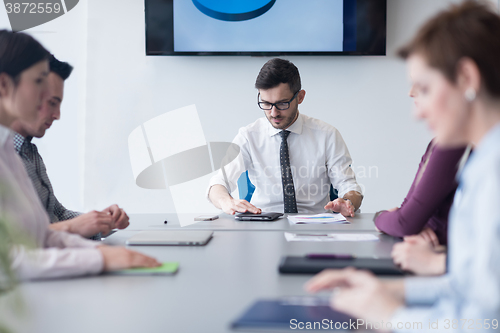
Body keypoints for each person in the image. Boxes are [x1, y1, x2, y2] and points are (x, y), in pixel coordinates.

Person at [305, 1, 500, 330]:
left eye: (424, 89)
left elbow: (484, 321)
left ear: (467, 77)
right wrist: (386, 291)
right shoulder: (481, 167)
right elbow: (471, 287)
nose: (417, 111)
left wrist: (390, 316)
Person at [0, 30, 160, 280]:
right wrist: (99, 257)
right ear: (4, 85)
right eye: (39, 82)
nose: (46, 101)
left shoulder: (11, 150)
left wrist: (101, 244)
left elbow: (41, 235)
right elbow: (6, 259)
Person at [208, 58, 363, 217]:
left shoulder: (327, 135)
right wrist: (227, 201)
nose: (273, 113)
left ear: (300, 97)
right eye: (266, 103)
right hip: (263, 223)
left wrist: (348, 202)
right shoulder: (249, 136)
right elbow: (218, 183)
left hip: (314, 225)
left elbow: (350, 186)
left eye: (282, 104)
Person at [10, 55, 129, 240]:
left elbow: (57, 215)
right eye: (52, 103)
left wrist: (101, 222)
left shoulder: (30, 152)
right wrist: (74, 227)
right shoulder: (6, 158)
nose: (57, 115)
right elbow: (14, 240)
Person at [375, 83, 470, 275]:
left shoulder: (452, 145)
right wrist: (414, 224)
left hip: (444, 266)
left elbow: (404, 222)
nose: (410, 93)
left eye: (423, 85)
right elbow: (407, 213)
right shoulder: (437, 143)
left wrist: (379, 216)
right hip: (436, 261)